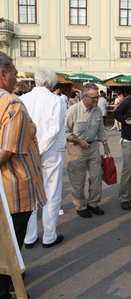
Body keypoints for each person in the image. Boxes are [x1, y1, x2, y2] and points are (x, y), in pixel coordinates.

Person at [0, 52, 46, 299]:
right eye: (15, 74)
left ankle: (13, 273)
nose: (16, 79)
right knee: (10, 241)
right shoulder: (11, 104)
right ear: (2, 74)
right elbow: (6, 151)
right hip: (14, 188)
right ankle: (7, 286)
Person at [21, 67, 66, 249]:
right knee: (51, 193)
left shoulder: (23, 99)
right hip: (50, 152)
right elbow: (54, 129)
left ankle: (29, 236)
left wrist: (33, 149)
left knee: (30, 193)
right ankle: (49, 235)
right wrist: (40, 149)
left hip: (27, 151)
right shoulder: (57, 101)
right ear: (51, 82)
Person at [65, 83, 111, 218]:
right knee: (78, 181)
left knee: (96, 176)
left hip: (93, 148)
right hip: (76, 150)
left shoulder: (97, 110)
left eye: (97, 97)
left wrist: (105, 144)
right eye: (93, 98)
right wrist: (78, 140)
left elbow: (101, 128)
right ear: (84, 97)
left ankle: (93, 203)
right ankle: (81, 206)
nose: (97, 100)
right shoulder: (73, 110)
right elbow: (64, 132)